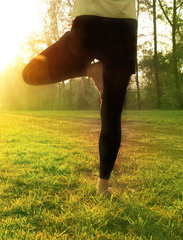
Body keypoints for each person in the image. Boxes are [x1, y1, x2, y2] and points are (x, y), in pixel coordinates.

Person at [22, 0, 138, 195]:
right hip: (123, 26)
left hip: (89, 22)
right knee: (112, 110)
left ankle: (87, 68)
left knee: (30, 73)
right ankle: (103, 186)